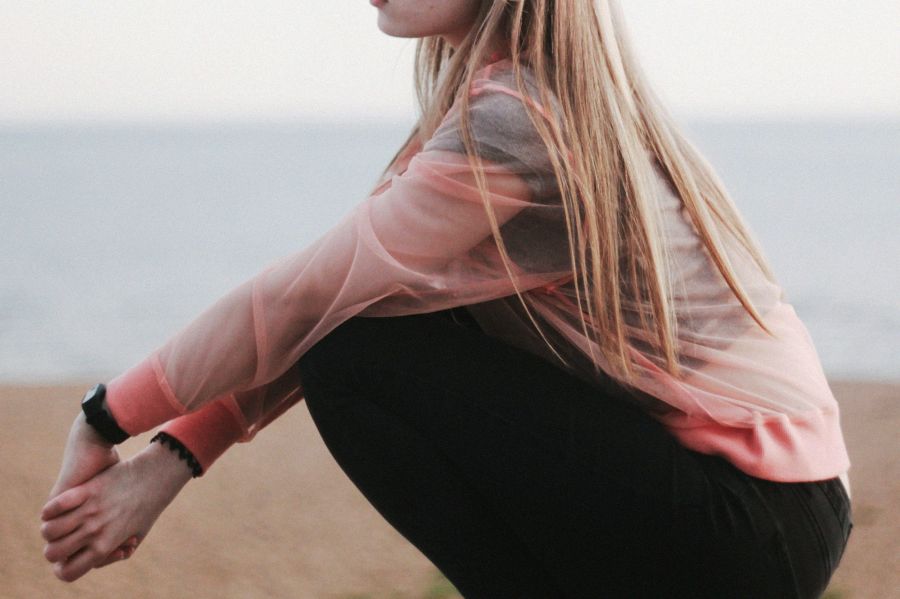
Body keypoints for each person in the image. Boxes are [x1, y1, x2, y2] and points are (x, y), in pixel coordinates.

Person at [39, 1, 853, 597]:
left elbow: (302, 302)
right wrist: (174, 457)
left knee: (353, 362)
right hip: (778, 510)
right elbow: (341, 300)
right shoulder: (523, 103)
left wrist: (106, 416)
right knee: (360, 343)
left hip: (750, 518)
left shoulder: (520, 126)